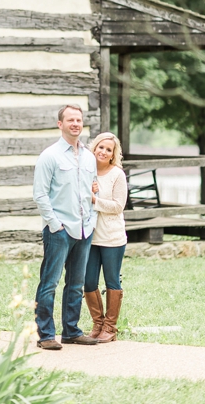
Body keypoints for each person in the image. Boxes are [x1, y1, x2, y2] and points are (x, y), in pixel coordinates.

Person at [32, 104, 99, 350]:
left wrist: (91, 220)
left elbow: (92, 189)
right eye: (70, 120)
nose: (75, 124)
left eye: (79, 120)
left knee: (76, 283)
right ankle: (46, 334)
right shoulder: (50, 156)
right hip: (59, 230)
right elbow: (40, 195)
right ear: (60, 124)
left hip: (84, 229)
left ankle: (71, 331)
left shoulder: (89, 156)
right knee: (49, 283)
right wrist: (55, 225)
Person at [82, 131, 128, 343]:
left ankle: (110, 327)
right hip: (90, 237)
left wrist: (95, 200)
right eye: (101, 147)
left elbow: (118, 206)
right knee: (88, 281)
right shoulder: (86, 171)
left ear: (112, 155)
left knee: (112, 281)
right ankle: (97, 323)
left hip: (112, 238)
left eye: (108, 149)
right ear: (94, 148)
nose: (103, 151)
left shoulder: (117, 174)